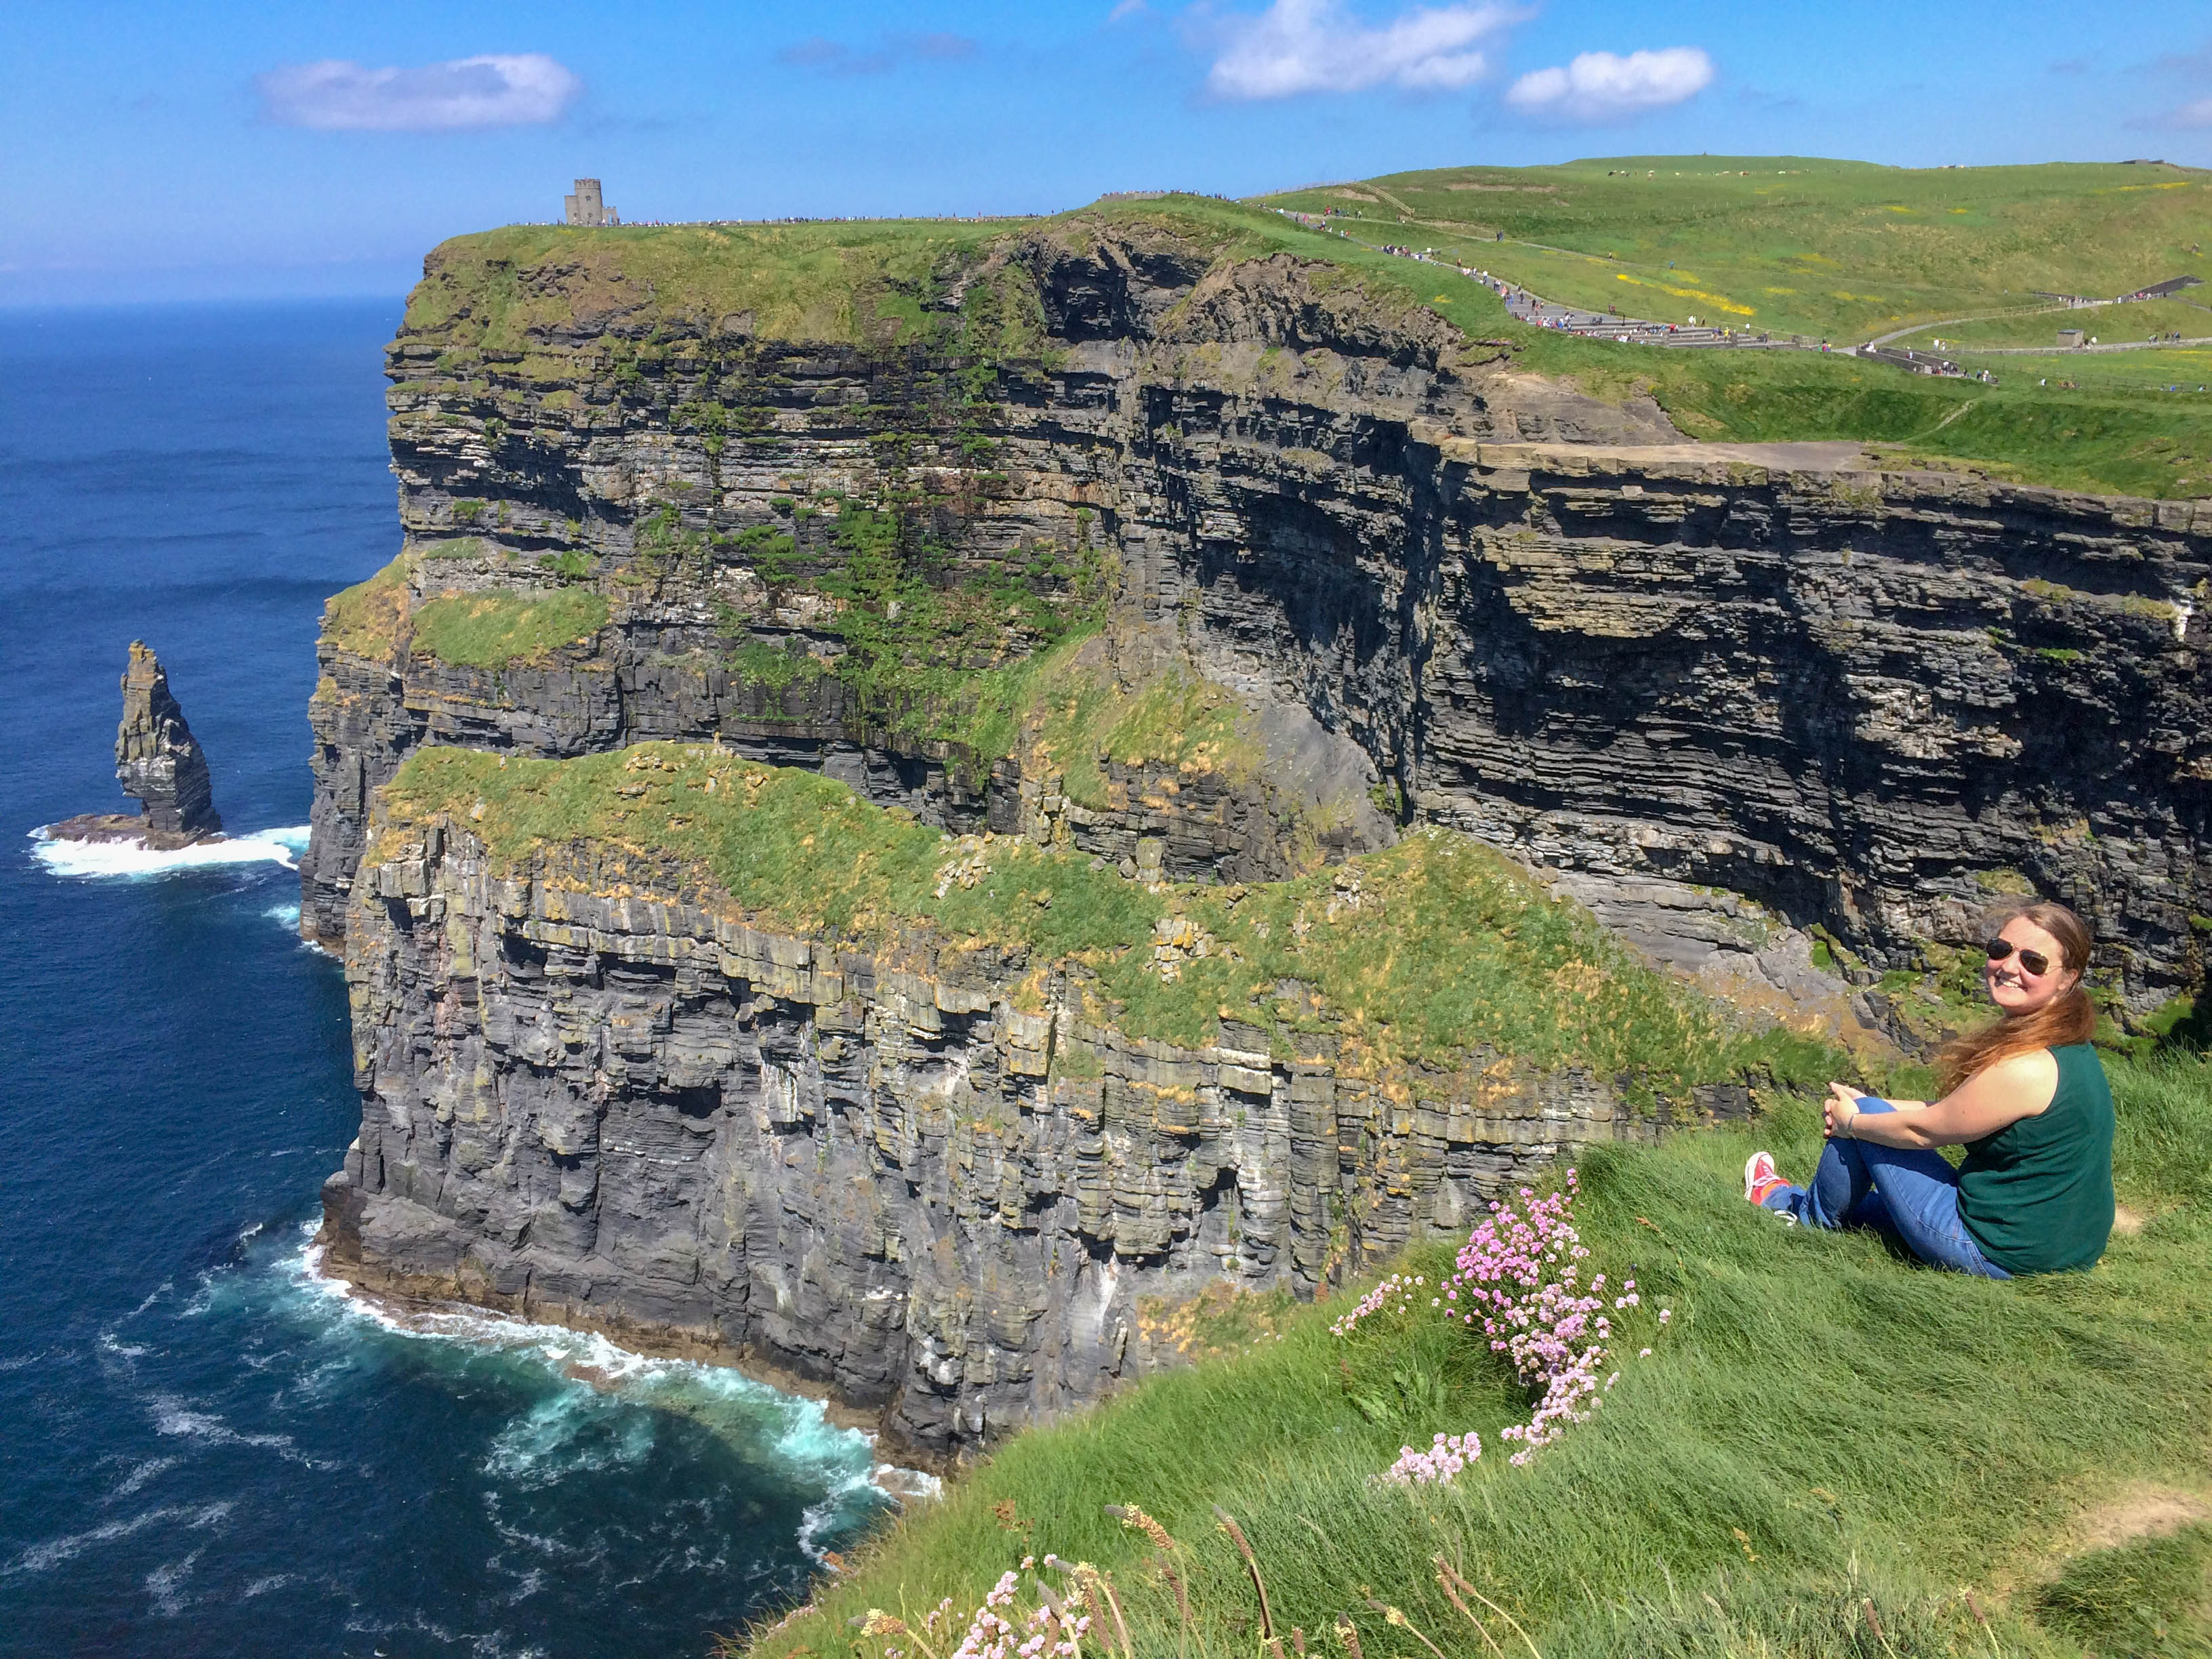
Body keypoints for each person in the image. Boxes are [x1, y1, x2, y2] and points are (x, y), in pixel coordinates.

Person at [1741, 902, 2114, 1277]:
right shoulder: (2067, 1048)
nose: (2009, 967)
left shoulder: (2024, 1067)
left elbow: (1923, 1132)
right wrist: (1875, 1103)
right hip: (2065, 1249)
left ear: (2068, 978)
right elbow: (1962, 1110)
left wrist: (1852, 1123)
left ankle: (1797, 1216)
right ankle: (1797, 1199)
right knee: (1870, 1131)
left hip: (1996, 1251)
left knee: (1866, 1120)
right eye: (2001, 950)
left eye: (2034, 962)